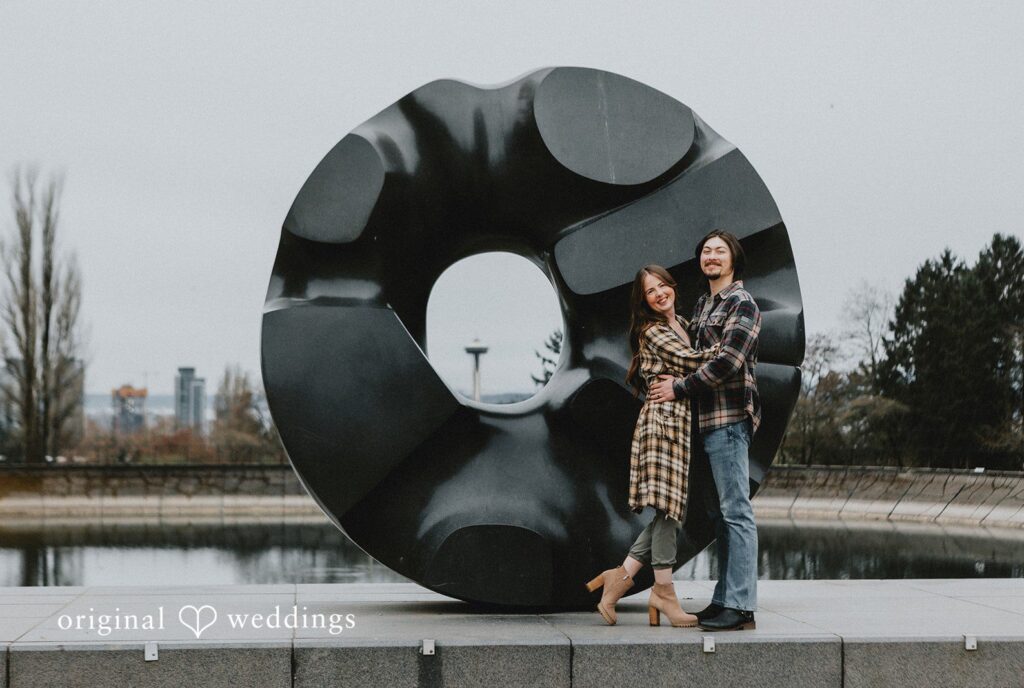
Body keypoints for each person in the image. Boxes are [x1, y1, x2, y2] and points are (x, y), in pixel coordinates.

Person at [585, 264, 718, 627]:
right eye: (650, 291)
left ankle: (618, 579)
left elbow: (689, 364)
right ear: (643, 300)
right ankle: (664, 591)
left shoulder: (684, 325)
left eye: (663, 285)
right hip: (662, 425)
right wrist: (732, 348)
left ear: (673, 286)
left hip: (677, 424)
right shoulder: (653, 331)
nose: (659, 293)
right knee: (671, 511)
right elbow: (693, 361)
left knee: (668, 511)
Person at [648, 229, 762, 632]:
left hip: (727, 419)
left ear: (733, 259)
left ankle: (741, 605)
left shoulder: (742, 303)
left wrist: (677, 387)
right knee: (720, 514)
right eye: (706, 251)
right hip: (702, 423)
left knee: (736, 510)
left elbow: (728, 361)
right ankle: (724, 599)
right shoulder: (702, 305)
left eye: (720, 251)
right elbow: (691, 354)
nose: (711, 257)